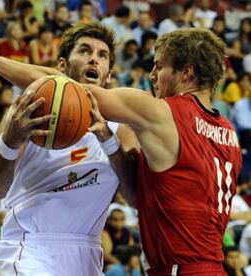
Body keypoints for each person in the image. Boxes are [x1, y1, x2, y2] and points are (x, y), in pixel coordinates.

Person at [0, 22, 137, 275]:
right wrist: (12, 139)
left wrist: (108, 140)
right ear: (61, 65)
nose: (93, 59)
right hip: (30, 245)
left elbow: (136, 199)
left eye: (102, 55)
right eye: (84, 51)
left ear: (108, 75)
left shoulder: (120, 129)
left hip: (87, 254)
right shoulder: (29, 111)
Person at [86, 28, 242, 274]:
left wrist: (0, 62)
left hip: (179, 268)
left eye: (159, 66)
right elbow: (155, 195)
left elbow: (77, 92)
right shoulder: (229, 133)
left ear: (186, 72)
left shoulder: (166, 113)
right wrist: (113, 141)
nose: (152, 75)